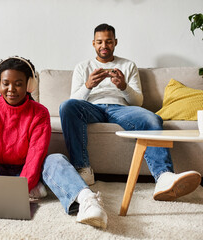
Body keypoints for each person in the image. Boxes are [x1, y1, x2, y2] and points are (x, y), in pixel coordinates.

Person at [0, 56, 108, 229]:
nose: (11, 89)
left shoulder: (40, 113)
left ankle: (88, 201)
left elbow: (35, 155)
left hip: (30, 170)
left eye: (18, 83)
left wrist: (21, 187)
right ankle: (28, 188)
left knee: (57, 159)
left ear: (29, 85)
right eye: (6, 83)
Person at [59, 23, 201, 201]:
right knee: (66, 106)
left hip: (121, 108)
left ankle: (164, 177)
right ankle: (83, 169)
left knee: (152, 118)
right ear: (93, 44)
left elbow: (137, 102)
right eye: (100, 42)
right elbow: (74, 101)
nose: (104, 46)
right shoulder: (82, 67)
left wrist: (123, 86)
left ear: (115, 42)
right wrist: (88, 86)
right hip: (91, 108)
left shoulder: (128, 65)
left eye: (108, 41)